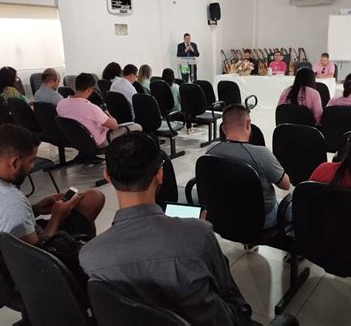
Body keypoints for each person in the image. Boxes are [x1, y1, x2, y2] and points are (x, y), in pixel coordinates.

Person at [79, 132, 252, 325]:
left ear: (107, 176)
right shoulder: (197, 234)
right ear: (160, 175)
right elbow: (223, 289)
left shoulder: (89, 255)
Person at [0, 124, 105, 247]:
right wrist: (56, 218)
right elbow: (36, 255)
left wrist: (35, 209)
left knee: (86, 203)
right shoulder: (10, 200)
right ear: (15, 163)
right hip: (42, 251)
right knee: (94, 198)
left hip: (17, 243)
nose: (32, 166)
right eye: (31, 160)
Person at [207, 105, 291, 229]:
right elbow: (286, 185)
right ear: (248, 124)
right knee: (295, 208)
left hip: (224, 215)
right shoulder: (262, 154)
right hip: (261, 220)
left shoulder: (211, 150)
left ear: (224, 129)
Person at [57, 73, 140, 147]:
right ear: (90, 89)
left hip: (74, 139)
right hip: (97, 142)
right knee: (137, 126)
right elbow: (114, 126)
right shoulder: (90, 108)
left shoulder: (61, 104)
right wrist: (108, 114)